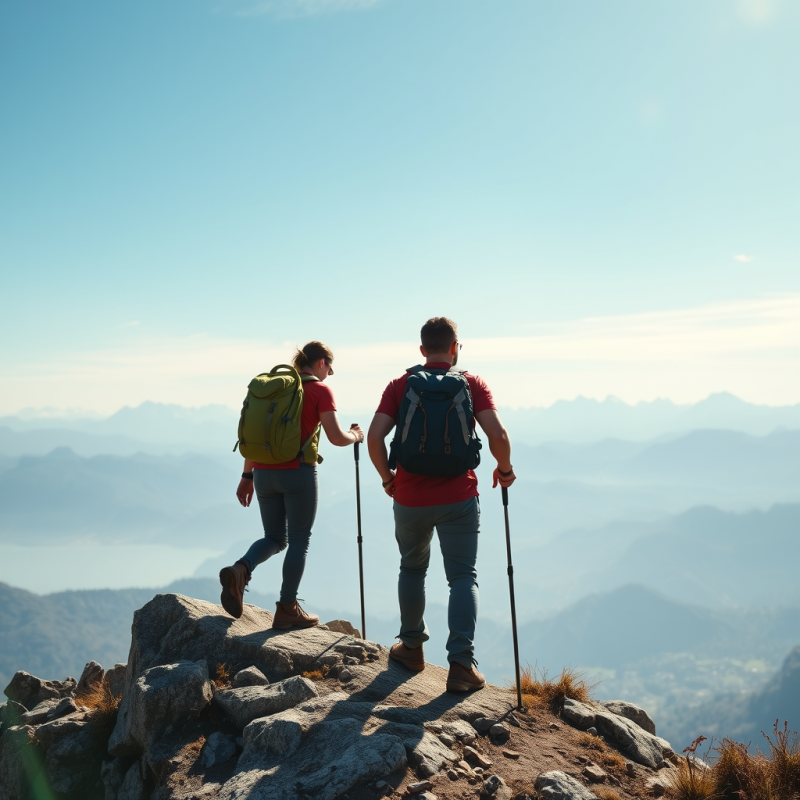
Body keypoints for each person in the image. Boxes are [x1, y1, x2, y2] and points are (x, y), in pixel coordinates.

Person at [367, 317, 516, 692]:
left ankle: (412, 649)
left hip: (410, 497)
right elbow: (497, 433)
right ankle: (462, 665)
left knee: (412, 569)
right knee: (463, 577)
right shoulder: (472, 383)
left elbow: (373, 437)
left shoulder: (400, 384)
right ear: (455, 348)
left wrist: (388, 478)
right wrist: (505, 469)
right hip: (459, 497)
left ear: (422, 350)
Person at [219, 341, 364, 629]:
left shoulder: (275, 390)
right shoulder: (319, 391)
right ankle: (287, 608)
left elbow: (259, 435)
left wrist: (247, 476)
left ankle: (241, 568)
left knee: (274, 537)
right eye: (329, 368)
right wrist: (355, 435)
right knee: (298, 540)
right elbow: (336, 437)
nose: (329, 374)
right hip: (298, 473)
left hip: (262, 474)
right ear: (321, 362)